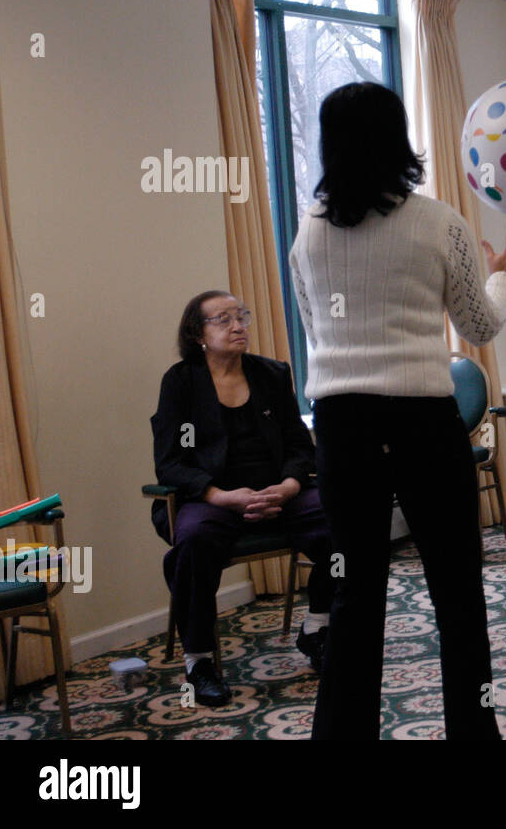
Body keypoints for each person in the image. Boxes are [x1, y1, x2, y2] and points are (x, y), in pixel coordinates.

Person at [289, 81, 506, 740]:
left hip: (341, 425)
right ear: (398, 137)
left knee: (354, 591)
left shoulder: (307, 234)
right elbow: (479, 324)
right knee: (456, 591)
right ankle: (472, 734)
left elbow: (320, 330)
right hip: (423, 423)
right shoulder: (437, 222)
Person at [151, 291, 334, 707]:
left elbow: (299, 446)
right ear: (198, 333)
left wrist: (289, 485)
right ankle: (199, 661)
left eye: (241, 317)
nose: (238, 327)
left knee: (342, 522)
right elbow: (170, 463)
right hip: (212, 497)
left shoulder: (271, 373)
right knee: (193, 542)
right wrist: (222, 496)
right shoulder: (180, 383)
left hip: (278, 491)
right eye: (223, 320)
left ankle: (317, 627)